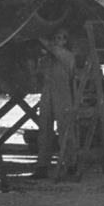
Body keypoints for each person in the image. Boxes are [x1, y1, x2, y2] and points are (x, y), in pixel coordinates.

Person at [31, 29, 76, 179]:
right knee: (44, 130)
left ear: (65, 41)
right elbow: (38, 75)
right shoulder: (48, 59)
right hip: (47, 93)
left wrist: (37, 33)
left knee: (65, 130)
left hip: (62, 94)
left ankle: (70, 164)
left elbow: (53, 48)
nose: (57, 41)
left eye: (60, 38)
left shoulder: (68, 57)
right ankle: (42, 166)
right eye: (55, 38)